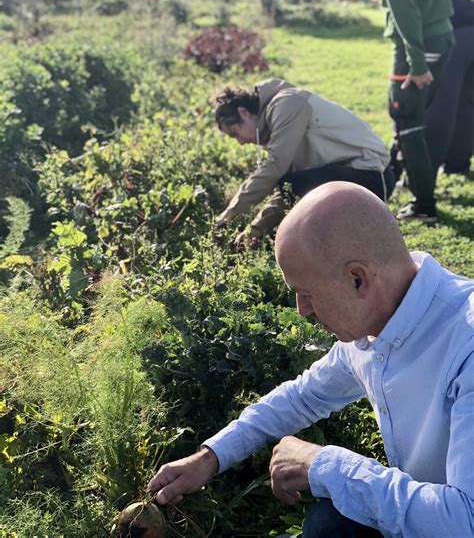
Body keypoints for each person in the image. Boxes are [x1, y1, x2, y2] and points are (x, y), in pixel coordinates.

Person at [148, 182, 474, 537]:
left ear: (357, 279)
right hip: (434, 512)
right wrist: (210, 457)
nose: (301, 311)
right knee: (330, 522)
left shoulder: (465, 343)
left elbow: (464, 521)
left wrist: (325, 464)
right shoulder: (373, 327)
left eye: (306, 294)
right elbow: (303, 396)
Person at [352, 0, 454, 222]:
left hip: (419, 46)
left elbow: (405, 10)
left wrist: (417, 62)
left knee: (406, 117)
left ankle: (424, 204)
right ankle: (411, 180)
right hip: (443, 36)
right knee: (415, 115)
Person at [213, 79, 394, 248]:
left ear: (243, 113)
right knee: (293, 207)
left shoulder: (287, 104)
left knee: (295, 191)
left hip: (373, 176)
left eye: (235, 133)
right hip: (350, 175)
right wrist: (256, 229)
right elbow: (288, 190)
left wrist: (230, 214)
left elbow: (277, 169)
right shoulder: (277, 120)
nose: (241, 142)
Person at [425, 0, 474, 175]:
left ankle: (426, 171)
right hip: (468, 33)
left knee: (442, 103)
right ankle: (457, 164)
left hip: (459, 36)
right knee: (465, 103)